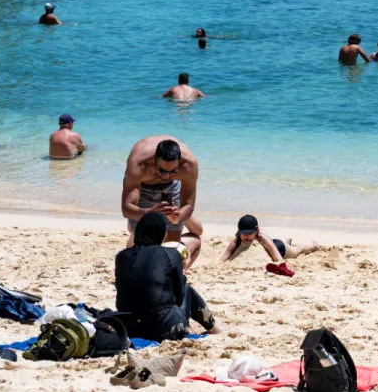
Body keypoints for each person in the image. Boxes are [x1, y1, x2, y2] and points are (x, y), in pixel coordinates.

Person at [115, 211, 218, 340]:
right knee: (187, 290)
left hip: (129, 329)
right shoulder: (171, 254)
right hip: (166, 329)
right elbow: (179, 298)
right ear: (162, 234)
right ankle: (214, 329)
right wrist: (182, 271)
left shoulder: (121, 256)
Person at [121, 136, 204, 268]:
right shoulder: (139, 163)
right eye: (162, 170)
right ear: (153, 160)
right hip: (143, 185)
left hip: (173, 186)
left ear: (180, 162)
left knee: (170, 251)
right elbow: (127, 209)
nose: (166, 176)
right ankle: (133, 237)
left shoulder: (189, 165)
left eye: (172, 171)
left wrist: (178, 216)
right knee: (142, 249)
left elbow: (188, 205)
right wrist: (149, 213)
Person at [221, 214, 321, 268]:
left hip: (279, 248)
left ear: (257, 231)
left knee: (297, 250)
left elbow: (279, 259)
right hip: (273, 245)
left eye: (249, 233)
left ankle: (313, 245)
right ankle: (288, 241)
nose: (246, 236)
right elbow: (225, 256)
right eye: (243, 233)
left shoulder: (262, 239)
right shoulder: (238, 238)